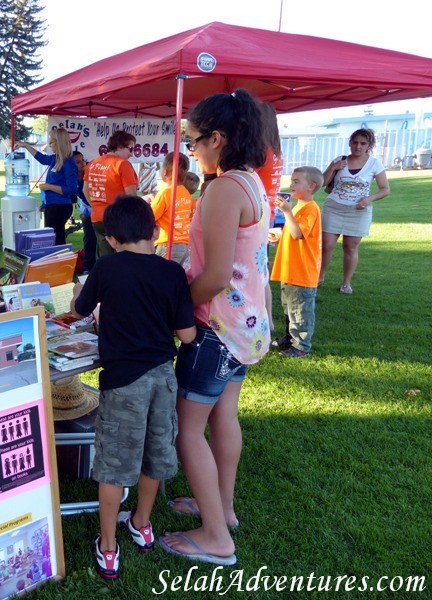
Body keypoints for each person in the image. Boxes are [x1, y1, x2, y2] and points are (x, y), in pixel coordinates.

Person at [161, 88, 270, 567]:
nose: (192, 151)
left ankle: (215, 537)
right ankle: (222, 509)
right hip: (245, 328)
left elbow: (216, 276)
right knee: (224, 416)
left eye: (195, 141)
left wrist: (176, 307)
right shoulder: (249, 181)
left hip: (217, 329)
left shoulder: (224, 189)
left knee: (188, 430)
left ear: (218, 139)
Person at [70, 195, 196, 580]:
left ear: (111, 238)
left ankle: (108, 548)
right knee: (154, 453)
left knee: (113, 465)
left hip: (123, 382)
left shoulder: (107, 268)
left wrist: (81, 292)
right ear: (155, 232)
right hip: (163, 377)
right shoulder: (173, 272)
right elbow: (187, 335)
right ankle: (141, 523)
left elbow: (78, 308)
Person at [319, 128, 390, 294]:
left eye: (363, 143)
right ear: (350, 143)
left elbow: (385, 189)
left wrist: (368, 199)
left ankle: (346, 283)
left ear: (369, 145)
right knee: (327, 246)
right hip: (334, 207)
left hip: (358, 211)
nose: (358, 146)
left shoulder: (374, 164)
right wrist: (334, 168)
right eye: (355, 142)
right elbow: (322, 182)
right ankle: (320, 276)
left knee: (350, 247)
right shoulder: (340, 160)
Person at [269, 167, 324, 357]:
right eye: (292, 180)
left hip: (301, 271)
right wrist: (277, 234)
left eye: (296, 181)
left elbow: (298, 233)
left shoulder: (310, 208)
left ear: (311, 186)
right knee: (290, 308)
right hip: (290, 269)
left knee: (300, 312)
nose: (291, 184)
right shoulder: (299, 206)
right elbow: (291, 232)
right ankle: (289, 339)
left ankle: (301, 347)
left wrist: (286, 212)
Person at [16, 128, 78, 246]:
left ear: (59, 143)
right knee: (53, 238)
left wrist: (48, 186)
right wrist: (25, 145)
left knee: (56, 240)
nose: (50, 145)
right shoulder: (55, 159)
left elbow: (71, 189)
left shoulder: (68, 162)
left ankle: (59, 263)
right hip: (52, 205)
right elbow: (41, 158)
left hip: (60, 206)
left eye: (51, 143)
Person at [84, 131, 138, 258]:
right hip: (118, 218)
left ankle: (103, 277)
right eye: (130, 149)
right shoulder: (122, 164)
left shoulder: (92, 163)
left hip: (97, 218)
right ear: (120, 146)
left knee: (104, 256)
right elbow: (131, 196)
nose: (131, 153)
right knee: (122, 257)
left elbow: (85, 190)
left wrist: (96, 206)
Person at [256, 102, 285, 335]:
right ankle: (268, 320)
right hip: (268, 216)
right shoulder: (276, 151)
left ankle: (265, 320)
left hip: (256, 216)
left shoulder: (260, 152)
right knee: (260, 272)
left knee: (257, 274)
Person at [150, 152, 196, 264]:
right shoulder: (187, 194)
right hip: (185, 245)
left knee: (163, 277)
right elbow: (191, 216)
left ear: (165, 172)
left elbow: (150, 217)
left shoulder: (165, 194)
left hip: (167, 245)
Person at [73, 151, 97, 272]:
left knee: (100, 237)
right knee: (89, 237)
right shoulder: (71, 177)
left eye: (83, 160)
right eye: (78, 162)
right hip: (86, 206)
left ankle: (97, 265)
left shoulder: (91, 170)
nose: (82, 163)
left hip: (96, 205)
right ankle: (88, 266)